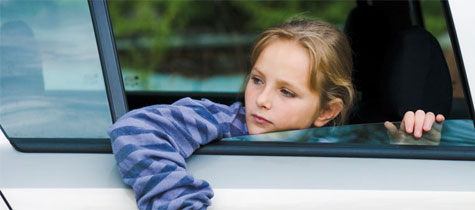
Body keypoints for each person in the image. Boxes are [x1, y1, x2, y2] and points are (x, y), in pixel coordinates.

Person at [109, 19, 444, 210]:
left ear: (327, 111)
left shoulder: (345, 145)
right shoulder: (225, 122)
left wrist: (411, 151)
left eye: (286, 91)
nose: (261, 100)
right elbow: (134, 130)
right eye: (257, 80)